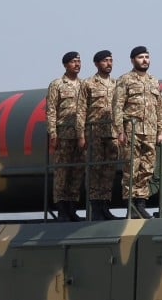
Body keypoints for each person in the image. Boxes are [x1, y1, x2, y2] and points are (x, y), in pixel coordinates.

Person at [112, 46, 162, 219]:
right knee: (131, 169)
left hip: (150, 132)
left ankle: (141, 203)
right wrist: (120, 131)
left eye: (147, 57)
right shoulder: (125, 80)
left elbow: (160, 109)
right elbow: (117, 107)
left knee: (147, 168)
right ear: (133, 60)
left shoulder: (153, 81)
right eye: (141, 57)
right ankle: (131, 206)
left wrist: (160, 131)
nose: (145, 60)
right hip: (131, 131)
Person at [76, 50, 119, 221]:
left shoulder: (117, 84)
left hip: (112, 133)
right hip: (94, 133)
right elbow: (80, 111)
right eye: (105, 61)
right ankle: (95, 208)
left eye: (110, 60)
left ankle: (105, 206)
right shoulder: (88, 84)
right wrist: (80, 135)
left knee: (109, 170)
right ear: (96, 64)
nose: (108, 63)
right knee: (94, 170)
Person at [45, 51, 83, 222]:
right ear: (66, 65)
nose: (77, 64)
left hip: (79, 135)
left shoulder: (84, 85)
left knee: (76, 172)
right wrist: (53, 134)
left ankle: (72, 208)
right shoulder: (57, 85)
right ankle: (62, 210)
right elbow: (51, 111)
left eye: (79, 61)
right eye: (74, 61)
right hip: (63, 135)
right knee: (62, 173)